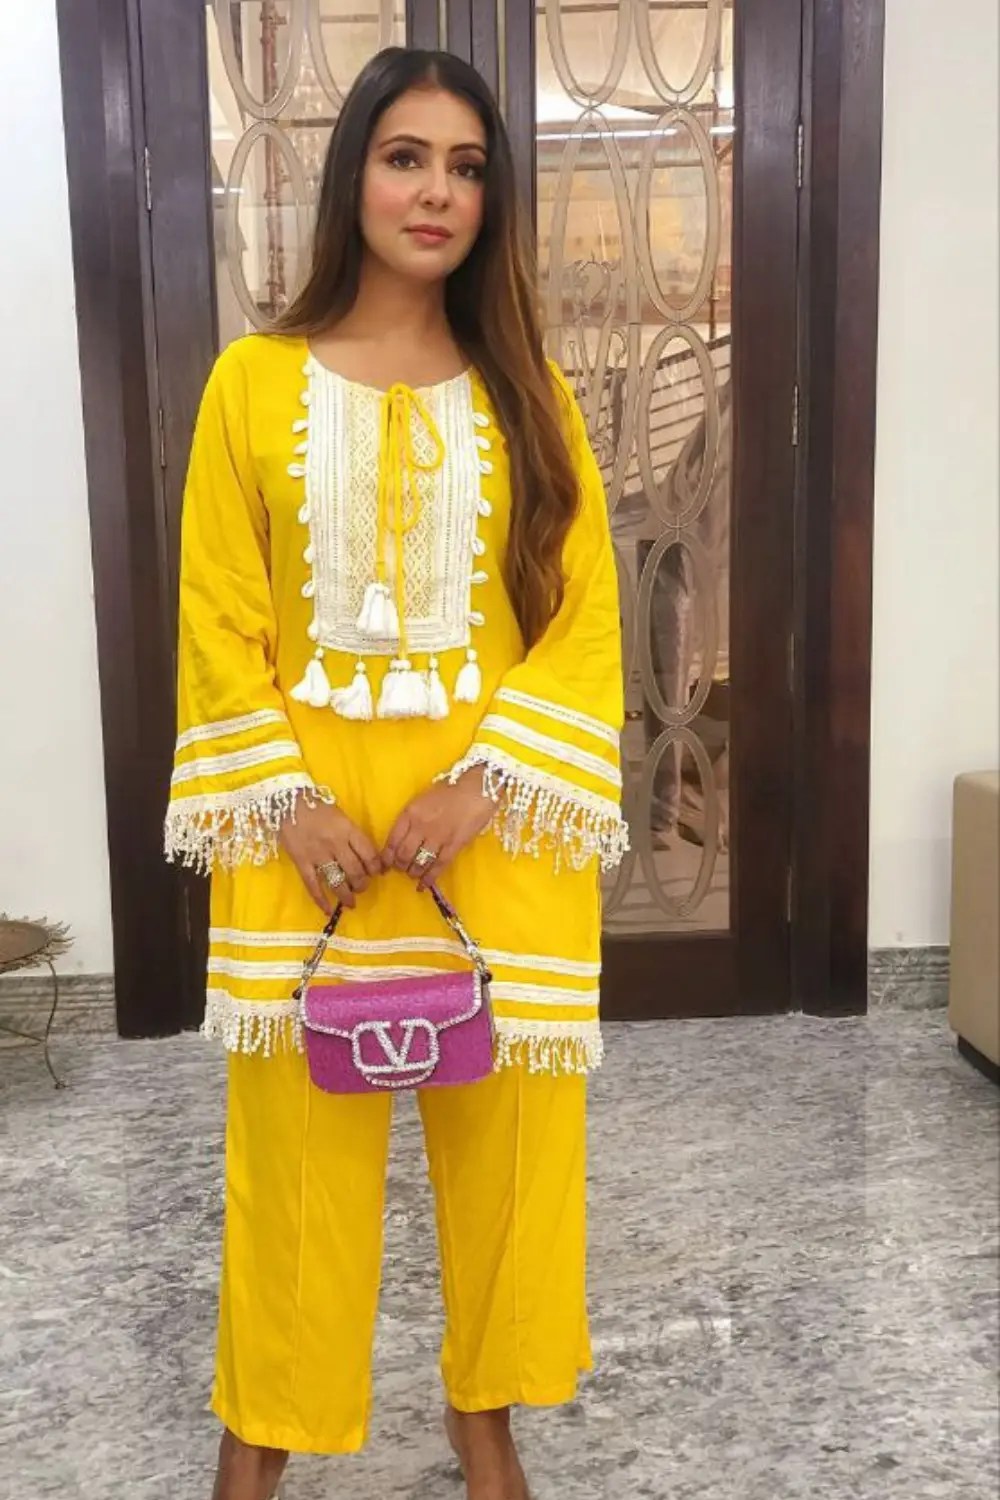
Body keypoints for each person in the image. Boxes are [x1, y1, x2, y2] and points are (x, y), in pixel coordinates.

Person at [165, 47, 627, 1500]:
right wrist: (290, 801)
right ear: (351, 174)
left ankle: (487, 1414)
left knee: (514, 1156)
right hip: (307, 845)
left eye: (467, 167)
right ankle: (262, 1430)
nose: (437, 192)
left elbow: (583, 621)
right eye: (406, 156)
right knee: (294, 1164)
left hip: (493, 836)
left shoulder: (530, 392)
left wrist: (486, 784)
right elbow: (217, 615)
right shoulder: (252, 384)